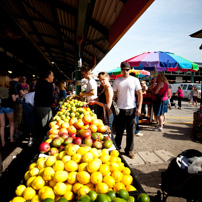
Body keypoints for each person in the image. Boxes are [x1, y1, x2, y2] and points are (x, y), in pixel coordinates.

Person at [113, 62, 142, 159]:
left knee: (131, 131)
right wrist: (112, 107)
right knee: (119, 131)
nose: (125, 71)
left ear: (130, 70)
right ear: (121, 70)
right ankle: (117, 148)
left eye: (127, 70)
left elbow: (140, 93)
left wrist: (139, 107)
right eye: (123, 69)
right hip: (120, 109)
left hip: (131, 109)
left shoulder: (135, 80)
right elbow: (113, 95)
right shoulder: (117, 81)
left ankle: (129, 150)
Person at [88, 72, 114, 140]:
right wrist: (91, 101)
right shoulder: (104, 88)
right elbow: (100, 98)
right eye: (100, 80)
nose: (101, 81)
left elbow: (107, 106)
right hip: (102, 113)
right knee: (104, 135)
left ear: (108, 78)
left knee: (108, 135)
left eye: (103, 79)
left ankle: (114, 149)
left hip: (107, 115)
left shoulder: (108, 89)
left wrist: (95, 102)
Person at [32, 70, 55, 145]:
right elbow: (50, 98)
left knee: (37, 125)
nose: (53, 77)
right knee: (45, 127)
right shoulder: (49, 85)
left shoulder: (39, 83)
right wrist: (54, 102)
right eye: (52, 75)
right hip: (44, 108)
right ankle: (41, 143)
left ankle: (35, 140)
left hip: (36, 107)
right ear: (48, 76)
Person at [10, 73, 28, 137]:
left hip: (10, 103)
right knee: (17, 118)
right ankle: (14, 132)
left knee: (11, 119)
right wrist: (25, 92)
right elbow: (22, 93)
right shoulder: (17, 83)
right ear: (18, 77)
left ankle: (14, 131)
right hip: (17, 102)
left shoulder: (8, 83)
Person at [0, 75, 16, 146]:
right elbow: (14, 99)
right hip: (8, 108)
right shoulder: (11, 88)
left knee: (2, 125)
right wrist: (16, 96)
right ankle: (11, 138)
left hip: (0, 107)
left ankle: (3, 142)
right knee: (11, 123)